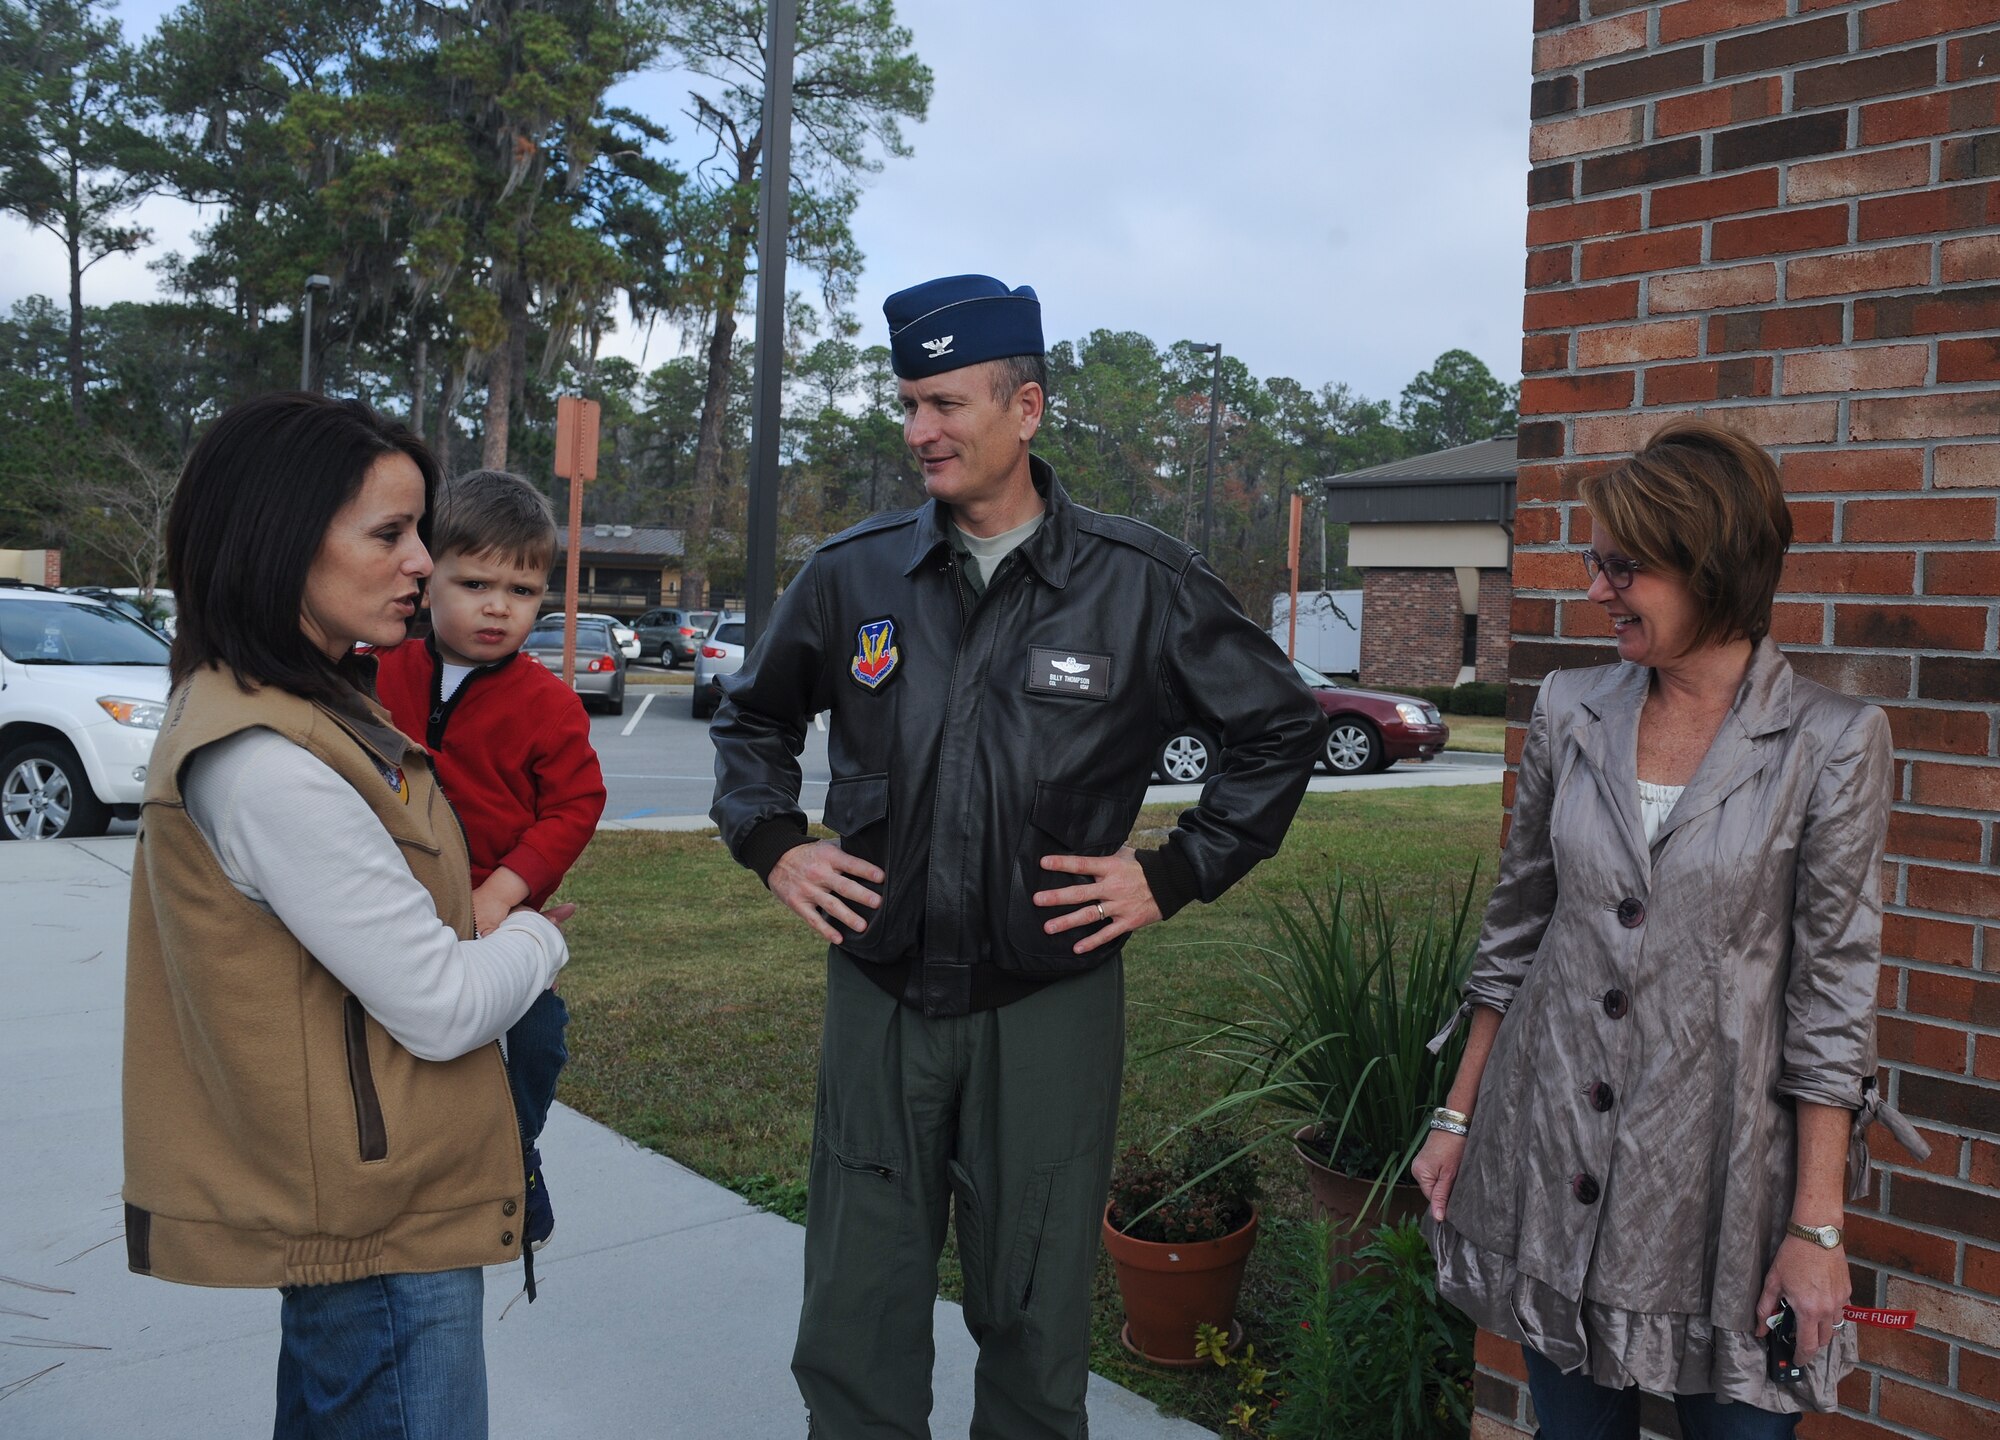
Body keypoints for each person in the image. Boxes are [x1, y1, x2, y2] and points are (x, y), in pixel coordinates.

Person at [710, 273, 1325, 1439]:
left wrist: (1176, 869)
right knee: (853, 1318)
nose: (917, 432)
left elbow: (1279, 726)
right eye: (907, 405)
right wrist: (773, 840)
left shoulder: (1136, 582)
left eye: (943, 403)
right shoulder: (854, 574)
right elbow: (752, 721)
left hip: (1049, 997)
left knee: (1036, 1329)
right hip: (881, 989)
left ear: (1026, 407)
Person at [1409, 420, 1926, 1438]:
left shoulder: (1828, 743)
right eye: (1597, 563)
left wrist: (1816, 1227)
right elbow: (1515, 925)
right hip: (1552, 1150)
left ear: (1711, 568)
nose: (1596, 588)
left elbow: (1830, 996)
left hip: (1724, 1189)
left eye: (1622, 567)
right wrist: (1457, 1113)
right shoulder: (1569, 710)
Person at [122, 393, 571, 1439]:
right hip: (381, 1230)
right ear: (281, 542)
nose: (422, 560)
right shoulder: (269, 760)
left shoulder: (308, 706)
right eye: (389, 533)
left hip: (381, 1200)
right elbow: (442, 1006)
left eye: (418, 531)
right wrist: (541, 936)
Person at [375, 468, 608, 1251]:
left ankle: (517, 1155)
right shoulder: (375, 674)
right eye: (473, 582)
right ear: (426, 574)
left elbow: (576, 805)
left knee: (535, 1038)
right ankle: (414, 1173)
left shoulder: (549, 704)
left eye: (522, 589)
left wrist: (507, 892)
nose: (497, 606)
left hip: (496, 914)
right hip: (391, 909)